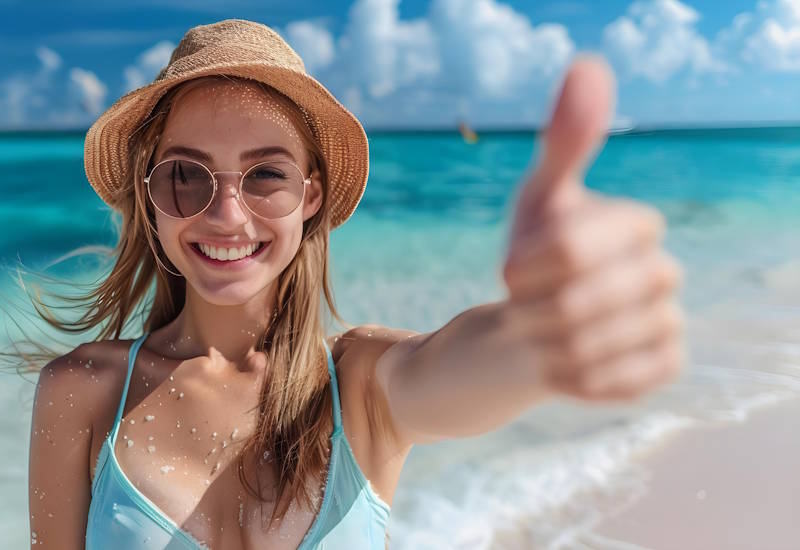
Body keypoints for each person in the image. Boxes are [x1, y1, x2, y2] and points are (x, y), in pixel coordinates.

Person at [26, 19, 684, 550]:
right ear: (150, 200)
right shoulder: (82, 392)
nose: (227, 214)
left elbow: (456, 366)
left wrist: (539, 334)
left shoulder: (356, 387)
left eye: (265, 176)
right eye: (186, 177)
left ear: (310, 196)